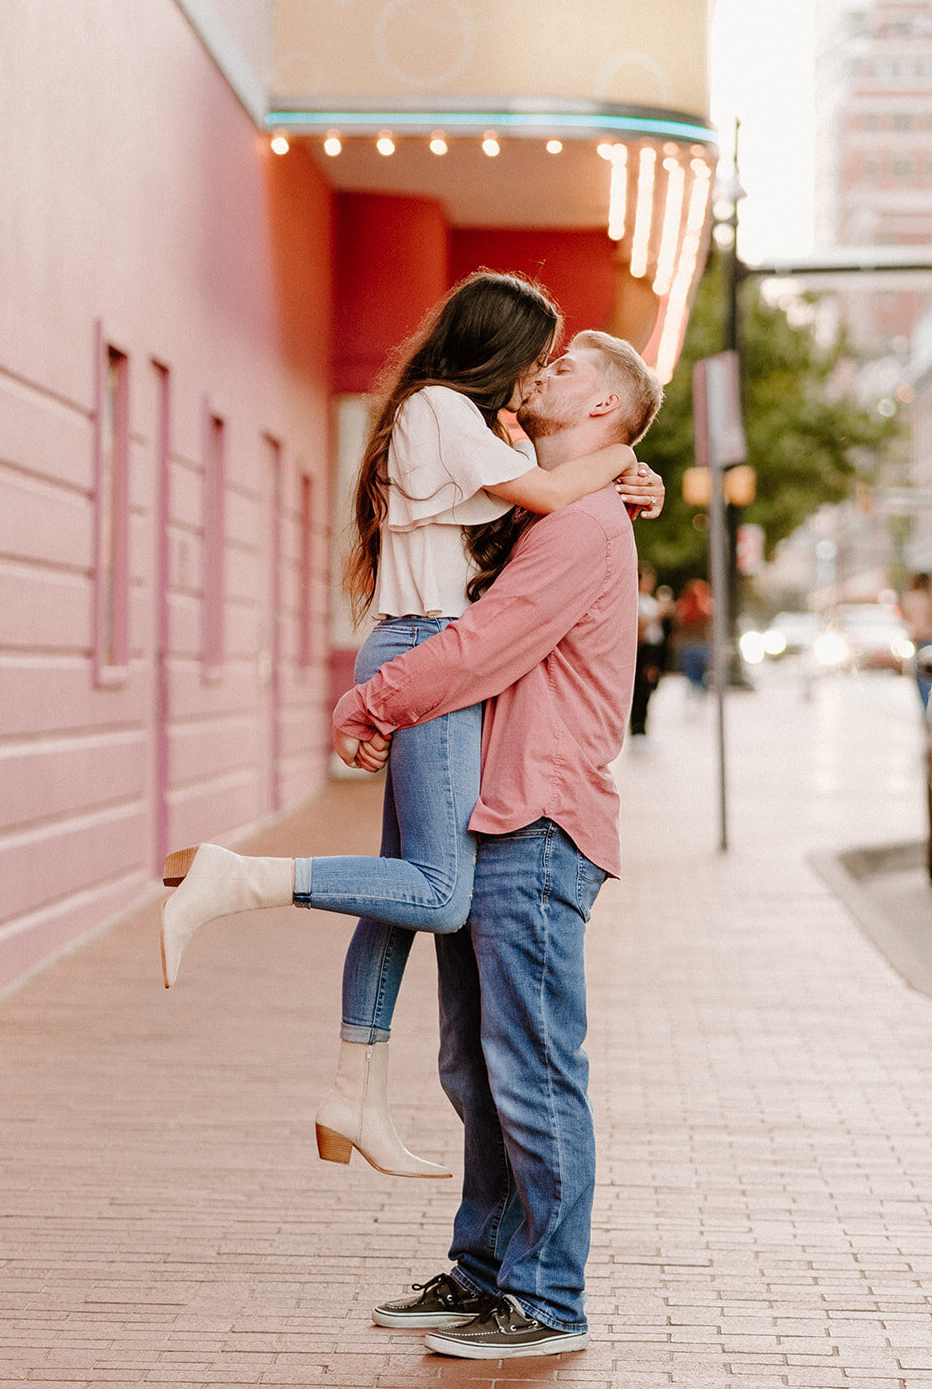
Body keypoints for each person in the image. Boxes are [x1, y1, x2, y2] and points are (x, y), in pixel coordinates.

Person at [158, 272, 663, 1179]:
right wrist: (621, 466)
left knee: (403, 898)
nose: (539, 375)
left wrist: (628, 469)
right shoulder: (445, 412)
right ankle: (236, 878)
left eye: (562, 365)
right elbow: (546, 506)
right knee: (437, 894)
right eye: (536, 355)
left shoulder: (481, 438)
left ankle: (355, 1094)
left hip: (433, 669)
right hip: (422, 654)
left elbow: (546, 498)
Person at [333, 332, 664, 1359]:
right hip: (493, 814)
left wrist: (373, 697)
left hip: (538, 819)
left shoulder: (580, 528)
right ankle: (483, 1275)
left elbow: (481, 645)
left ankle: (546, 1298)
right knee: (474, 1067)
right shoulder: (559, 505)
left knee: (531, 1071)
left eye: (567, 368)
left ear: (605, 409)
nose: (544, 372)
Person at [629, 562, 664, 741]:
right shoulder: (634, 600)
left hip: (654, 648)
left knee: (650, 687)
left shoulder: (651, 601)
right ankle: (637, 727)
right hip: (642, 649)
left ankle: (643, 725)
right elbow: (639, 627)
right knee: (641, 687)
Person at [903, 570, 932, 708]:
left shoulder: (912, 597)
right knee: (930, 681)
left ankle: (927, 713)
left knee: (921, 680)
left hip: (920, 641)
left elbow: (908, 620)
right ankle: (930, 713)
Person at [675, 578, 713, 702]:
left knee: (691, 677)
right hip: (702, 646)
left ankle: (691, 699)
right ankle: (700, 699)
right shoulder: (707, 606)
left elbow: (678, 626)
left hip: (687, 647)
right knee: (702, 677)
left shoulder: (683, 607)